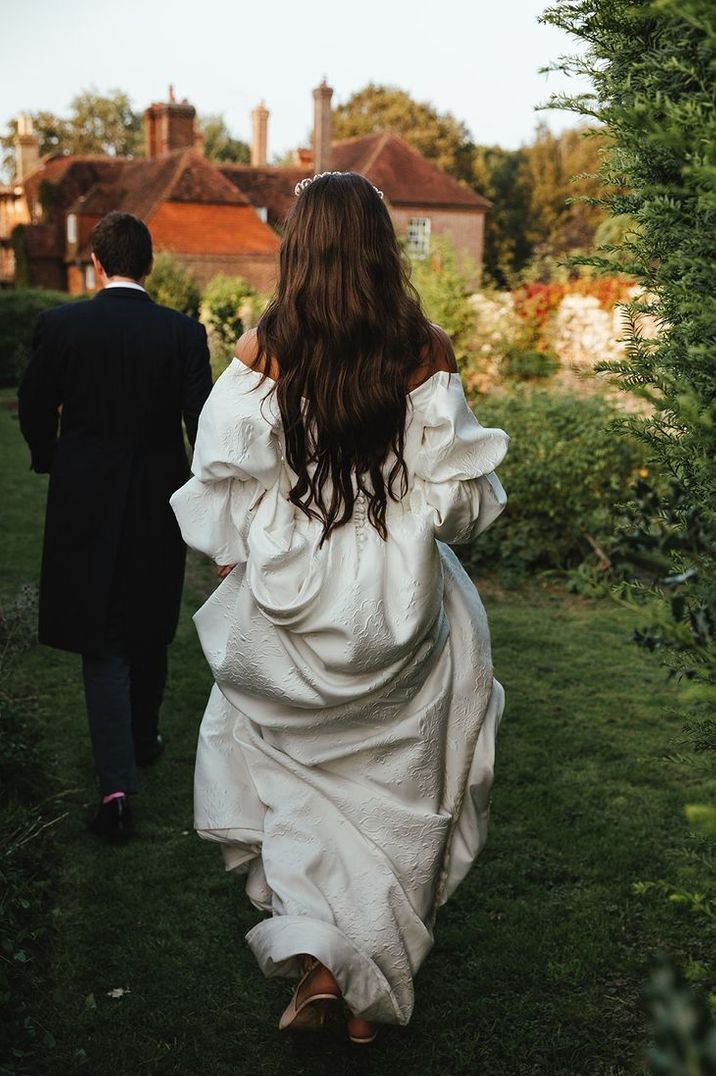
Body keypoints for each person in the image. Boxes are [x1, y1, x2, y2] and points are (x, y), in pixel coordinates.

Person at [170, 172, 509, 1043]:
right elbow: (461, 505)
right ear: (379, 246)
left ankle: (325, 966)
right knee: (397, 797)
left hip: (295, 603)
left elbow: (222, 484)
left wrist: (246, 552)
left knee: (294, 790)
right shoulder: (423, 348)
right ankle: (354, 987)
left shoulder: (264, 350)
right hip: (398, 609)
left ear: (301, 248)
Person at [18, 211, 213, 841]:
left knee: (103, 636)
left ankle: (116, 791)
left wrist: (51, 457)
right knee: (149, 621)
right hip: (160, 496)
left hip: (85, 497)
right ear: (149, 264)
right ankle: (143, 735)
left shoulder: (62, 324)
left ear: (96, 263)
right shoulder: (182, 332)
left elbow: (31, 404)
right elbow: (202, 423)